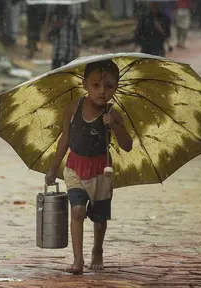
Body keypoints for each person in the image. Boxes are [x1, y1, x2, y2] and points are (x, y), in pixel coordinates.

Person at [45, 60, 133, 275]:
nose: (102, 92)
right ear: (85, 84)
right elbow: (65, 138)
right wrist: (54, 167)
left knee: (100, 218)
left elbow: (127, 145)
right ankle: (78, 260)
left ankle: (98, 249)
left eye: (109, 86)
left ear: (116, 87)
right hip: (75, 167)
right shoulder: (73, 108)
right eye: (96, 85)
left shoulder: (114, 114)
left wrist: (114, 125)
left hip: (101, 171)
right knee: (77, 210)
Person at [49, 5, 81, 70]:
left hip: (69, 50)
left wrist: (77, 47)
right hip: (57, 51)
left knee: (69, 72)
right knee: (55, 73)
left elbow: (77, 33)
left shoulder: (73, 18)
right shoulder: (56, 18)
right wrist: (55, 27)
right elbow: (50, 34)